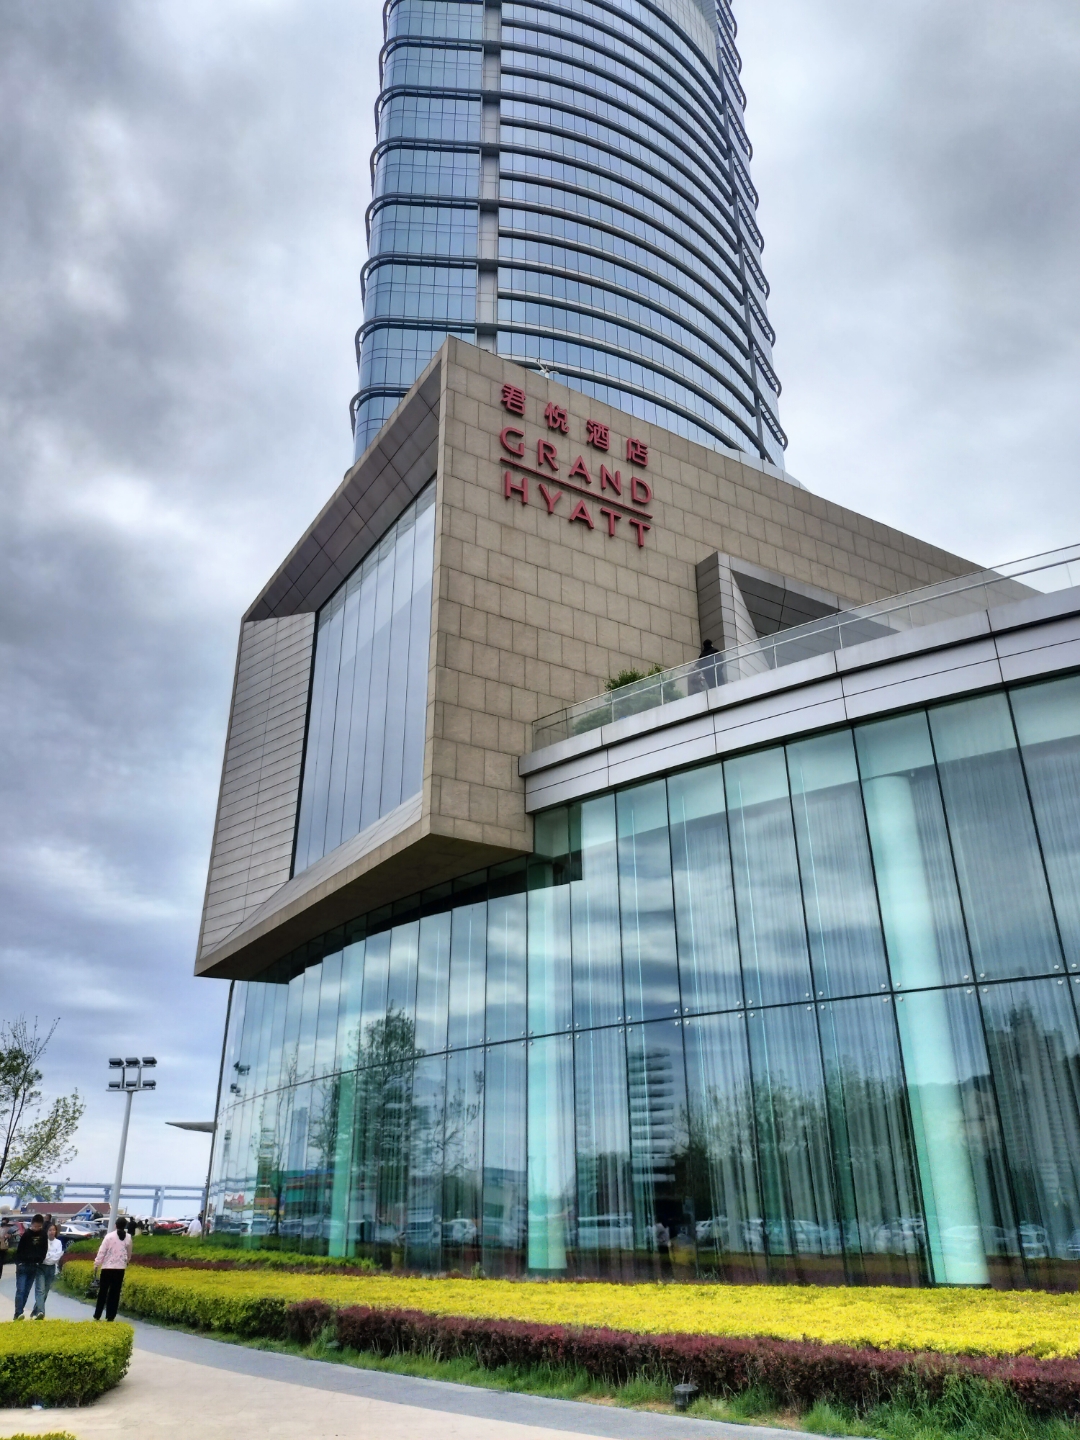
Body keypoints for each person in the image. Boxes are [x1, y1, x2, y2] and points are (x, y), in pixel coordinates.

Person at [92, 1218, 132, 1321]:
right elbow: (129, 1253)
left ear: (115, 1225)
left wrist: (97, 1263)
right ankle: (111, 1316)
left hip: (107, 1268)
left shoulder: (109, 1236)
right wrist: (126, 1261)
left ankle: (97, 1314)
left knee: (103, 1292)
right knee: (115, 1293)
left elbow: (102, 1251)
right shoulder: (128, 1237)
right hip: (120, 1269)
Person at [13, 1214, 48, 1320]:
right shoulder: (27, 1234)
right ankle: (18, 1312)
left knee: (26, 1291)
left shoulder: (43, 1235)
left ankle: (20, 1312)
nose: (36, 1228)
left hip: (34, 1266)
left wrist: (39, 1261)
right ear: (32, 1224)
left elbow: (44, 1250)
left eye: (39, 1226)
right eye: (35, 1226)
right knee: (21, 1290)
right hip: (23, 1266)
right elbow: (19, 1250)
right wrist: (19, 1263)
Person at [31, 1223, 64, 1318]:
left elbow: (57, 1256)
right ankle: (41, 1312)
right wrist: (50, 1256)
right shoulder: (42, 1242)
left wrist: (49, 1256)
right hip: (41, 1267)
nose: (52, 1232)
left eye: (54, 1230)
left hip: (51, 1268)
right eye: (50, 1230)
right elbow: (42, 1256)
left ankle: (36, 1311)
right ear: (46, 1231)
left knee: (45, 1292)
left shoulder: (58, 1242)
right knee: (40, 1290)